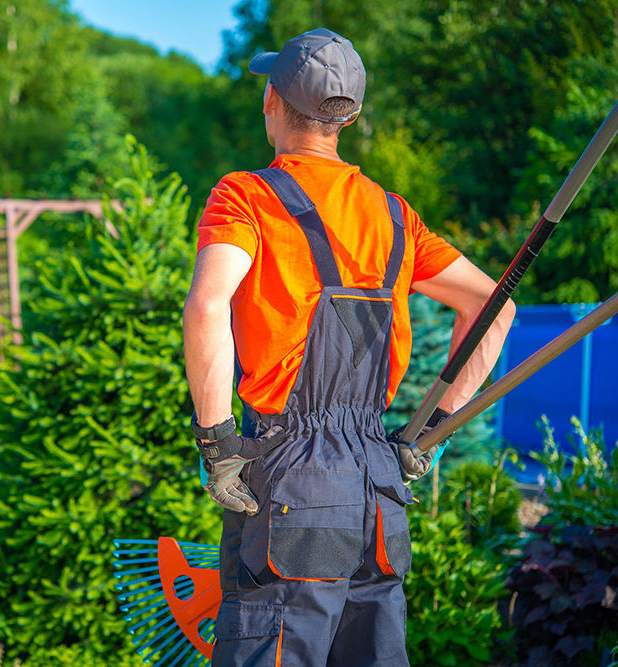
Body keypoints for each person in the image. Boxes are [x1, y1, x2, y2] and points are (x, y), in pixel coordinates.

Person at [183, 28, 515, 666]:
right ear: (351, 116)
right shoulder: (394, 215)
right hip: (376, 487)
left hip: (291, 477)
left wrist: (218, 442)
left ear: (271, 102)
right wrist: (434, 430)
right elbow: (494, 306)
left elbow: (207, 304)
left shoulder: (244, 196)